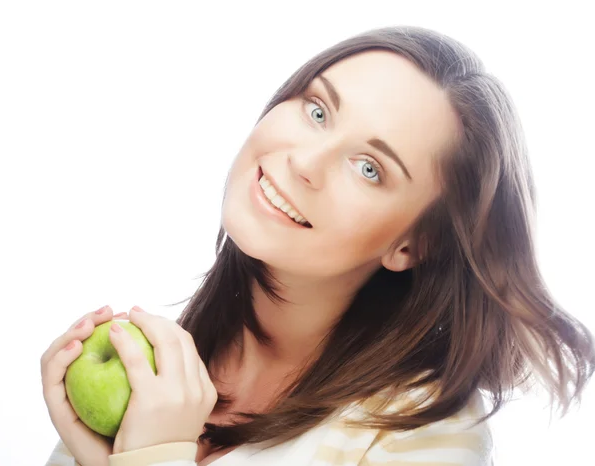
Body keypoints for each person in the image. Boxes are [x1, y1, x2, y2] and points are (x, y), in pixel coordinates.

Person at [41, 25, 595, 466]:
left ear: (411, 245)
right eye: (318, 110)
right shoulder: (163, 373)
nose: (304, 162)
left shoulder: (424, 437)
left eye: (368, 168)